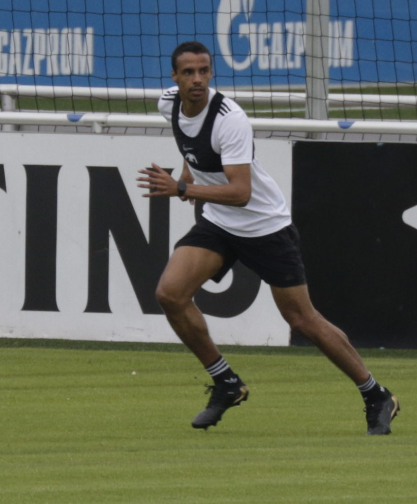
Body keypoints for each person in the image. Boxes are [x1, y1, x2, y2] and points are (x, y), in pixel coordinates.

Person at [136, 41, 399, 435]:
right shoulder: (168, 104)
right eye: (188, 72)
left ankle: (376, 394)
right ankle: (226, 382)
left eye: (204, 71)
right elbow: (196, 157)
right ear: (174, 77)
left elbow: (241, 192)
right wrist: (188, 179)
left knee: (302, 319)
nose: (197, 79)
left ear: (212, 72)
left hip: (264, 226)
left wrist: (182, 190)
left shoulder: (230, 119)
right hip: (220, 223)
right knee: (170, 294)